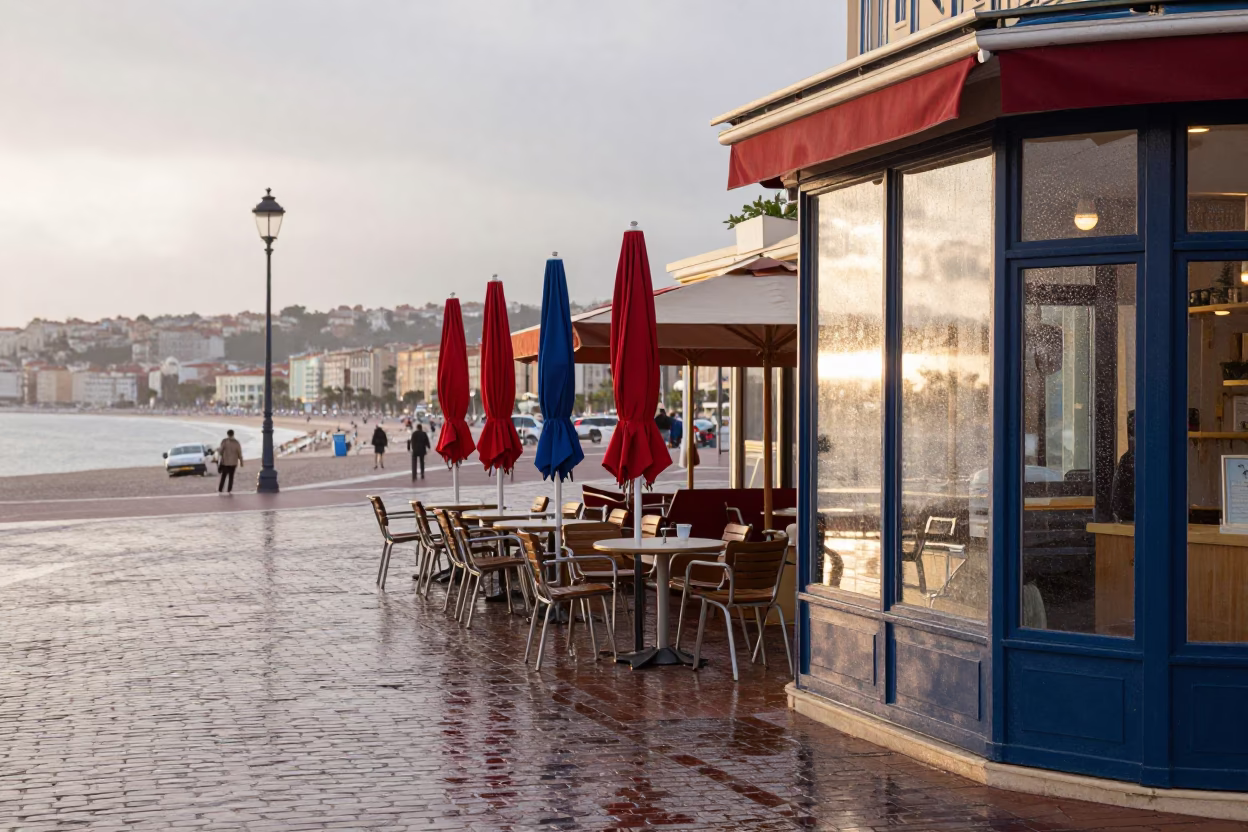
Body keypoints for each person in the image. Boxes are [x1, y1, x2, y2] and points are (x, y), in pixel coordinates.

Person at [217, 429, 244, 495]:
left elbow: (220, 452)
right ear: (233, 434)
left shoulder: (224, 441)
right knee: (231, 477)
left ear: (227, 434)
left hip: (225, 462)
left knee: (223, 476)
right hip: (234, 462)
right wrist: (241, 462)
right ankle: (229, 490)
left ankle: (220, 489)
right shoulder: (236, 442)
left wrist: (219, 451)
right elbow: (239, 453)